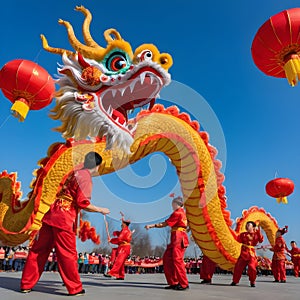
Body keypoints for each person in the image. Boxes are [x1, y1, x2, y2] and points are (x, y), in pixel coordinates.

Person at [20, 151, 110, 296]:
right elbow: (82, 202)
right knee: (67, 254)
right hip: (64, 217)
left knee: (38, 250)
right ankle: (74, 288)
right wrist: (101, 210)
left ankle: (26, 284)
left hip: (51, 213)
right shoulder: (85, 176)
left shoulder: (74, 173)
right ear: (96, 166)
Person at [145, 196, 189, 291]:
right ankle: (173, 282)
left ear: (177, 204)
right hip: (176, 236)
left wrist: (152, 225)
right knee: (168, 258)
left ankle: (183, 283)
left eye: (173, 204)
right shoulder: (182, 213)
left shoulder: (177, 213)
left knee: (177, 260)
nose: (172, 206)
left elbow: (165, 223)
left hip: (178, 237)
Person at [230, 221, 263, 287]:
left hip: (251, 254)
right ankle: (235, 281)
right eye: (247, 225)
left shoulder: (256, 234)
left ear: (253, 227)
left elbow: (261, 240)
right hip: (243, 253)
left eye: (249, 225)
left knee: (252, 267)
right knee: (238, 267)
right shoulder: (243, 234)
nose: (247, 226)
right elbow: (237, 239)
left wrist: (258, 229)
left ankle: (252, 281)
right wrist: (230, 231)